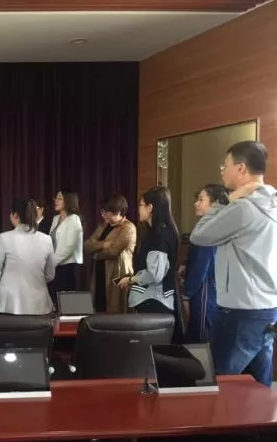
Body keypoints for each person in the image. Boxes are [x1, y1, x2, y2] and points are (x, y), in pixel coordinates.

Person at [190, 141, 277, 386]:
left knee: (218, 384)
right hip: (267, 308)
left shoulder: (243, 208)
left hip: (240, 311)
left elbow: (199, 235)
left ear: (241, 168)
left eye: (225, 165)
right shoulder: (272, 203)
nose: (222, 171)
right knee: (259, 387)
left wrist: (225, 202)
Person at [118, 186, 179, 321]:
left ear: (150, 207)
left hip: (153, 299)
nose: (139, 209)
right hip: (157, 298)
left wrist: (131, 279)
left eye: (141, 205)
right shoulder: (162, 231)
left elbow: (154, 274)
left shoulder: (159, 235)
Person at [0, 198, 56, 315]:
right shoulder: (46, 239)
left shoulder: (4, 238)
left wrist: (9, 282)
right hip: (39, 304)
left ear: (15, 215)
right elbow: (50, 274)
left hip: (9, 304)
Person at [181, 184, 229, 343]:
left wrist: (186, 294)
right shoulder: (218, 226)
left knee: (201, 340)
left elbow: (201, 267)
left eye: (201, 200)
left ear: (215, 204)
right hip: (214, 289)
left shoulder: (209, 230)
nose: (196, 203)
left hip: (205, 290)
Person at [84, 194, 136, 313]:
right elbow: (87, 246)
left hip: (117, 274)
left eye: (107, 212)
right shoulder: (103, 226)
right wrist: (103, 244)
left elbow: (114, 251)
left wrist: (96, 254)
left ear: (118, 211)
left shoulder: (128, 228)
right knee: (99, 307)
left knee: (115, 309)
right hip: (99, 274)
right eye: (102, 211)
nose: (103, 215)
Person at [49, 190, 83, 300]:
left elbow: (69, 247)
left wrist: (51, 263)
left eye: (59, 198)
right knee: (53, 299)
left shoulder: (74, 219)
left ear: (68, 201)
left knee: (65, 302)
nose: (56, 201)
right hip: (55, 266)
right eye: (56, 198)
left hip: (66, 267)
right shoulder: (55, 219)